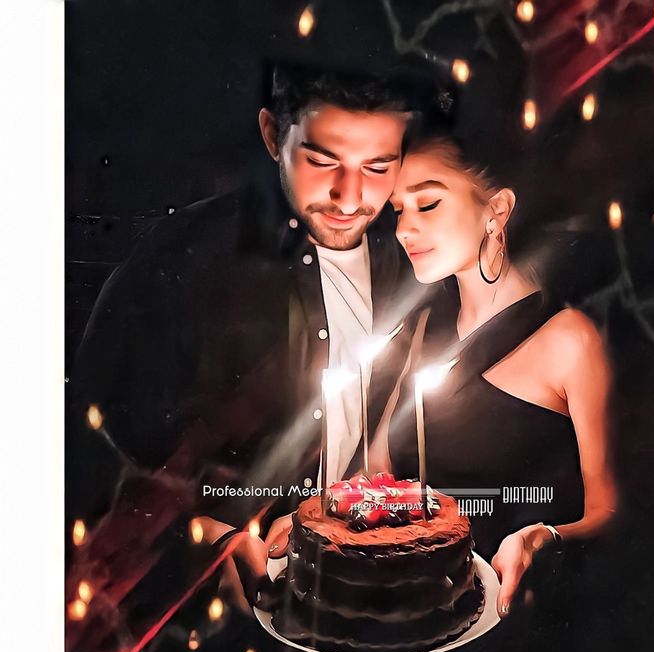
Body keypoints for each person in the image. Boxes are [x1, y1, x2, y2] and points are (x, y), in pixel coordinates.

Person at [67, 63, 432, 619]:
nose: (351, 196)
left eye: (379, 166)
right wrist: (210, 537)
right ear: (271, 135)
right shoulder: (179, 262)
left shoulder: (412, 260)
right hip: (204, 633)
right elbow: (89, 453)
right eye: (322, 160)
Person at [264, 131, 618, 622]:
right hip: (410, 619)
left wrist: (544, 539)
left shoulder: (569, 340)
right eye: (398, 211)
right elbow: (377, 469)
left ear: (496, 209)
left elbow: (613, 514)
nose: (405, 229)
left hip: (521, 626)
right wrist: (320, 518)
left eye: (427, 204)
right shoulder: (423, 326)